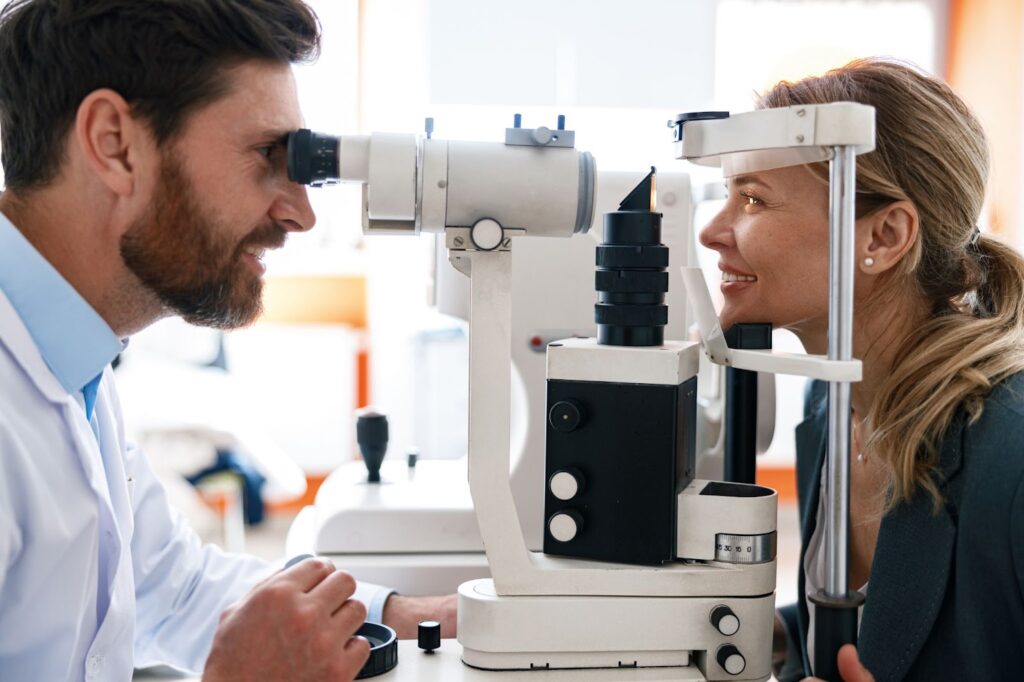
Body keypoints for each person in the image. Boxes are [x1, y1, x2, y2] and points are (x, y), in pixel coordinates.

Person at [0, 2, 453, 680]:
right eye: (268, 156)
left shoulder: (77, 362)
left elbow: (170, 587)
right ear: (114, 143)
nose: (301, 212)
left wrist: (403, 616)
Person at [699, 58, 1024, 681]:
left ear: (884, 235)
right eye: (727, 195)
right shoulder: (835, 404)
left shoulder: (1010, 453)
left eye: (753, 199)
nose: (714, 231)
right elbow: (881, 630)